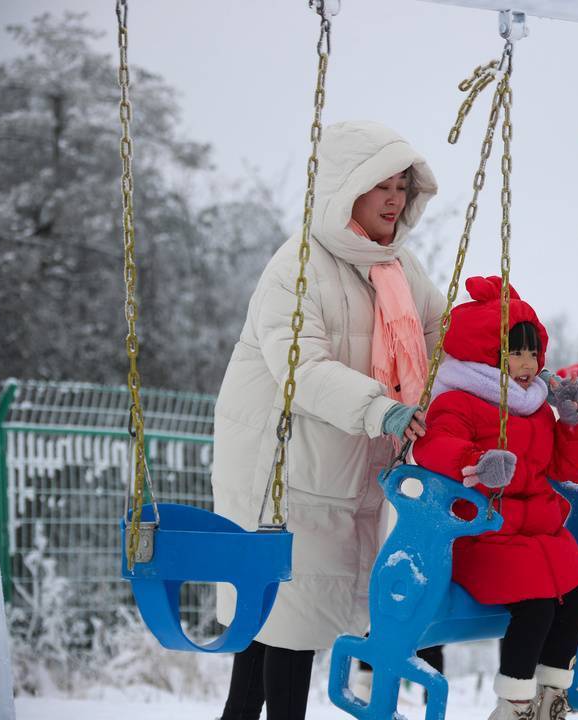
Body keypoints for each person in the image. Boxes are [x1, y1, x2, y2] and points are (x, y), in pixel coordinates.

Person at [212, 121, 445, 720]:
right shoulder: (298, 267)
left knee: (289, 619)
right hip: (285, 466)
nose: (395, 199)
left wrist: (519, 382)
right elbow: (301, 366)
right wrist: (382, 409)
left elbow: (442, 348)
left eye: (402, 186)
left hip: (354, 464)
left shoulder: (402, 270)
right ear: (346, 191)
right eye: (380, 186)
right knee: (291, 619)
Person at [412, 276, 578, 720]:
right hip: (482, 533)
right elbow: (434, 445)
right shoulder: (459, 400)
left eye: (533, 351)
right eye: (515, 351)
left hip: (537, 534)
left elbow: (568, 468)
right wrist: (475, 462)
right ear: (485, 354)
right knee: (536, 605)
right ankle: (514, 704)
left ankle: (551, 697)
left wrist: (576, 425)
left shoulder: (536, 406)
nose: (527, 363)